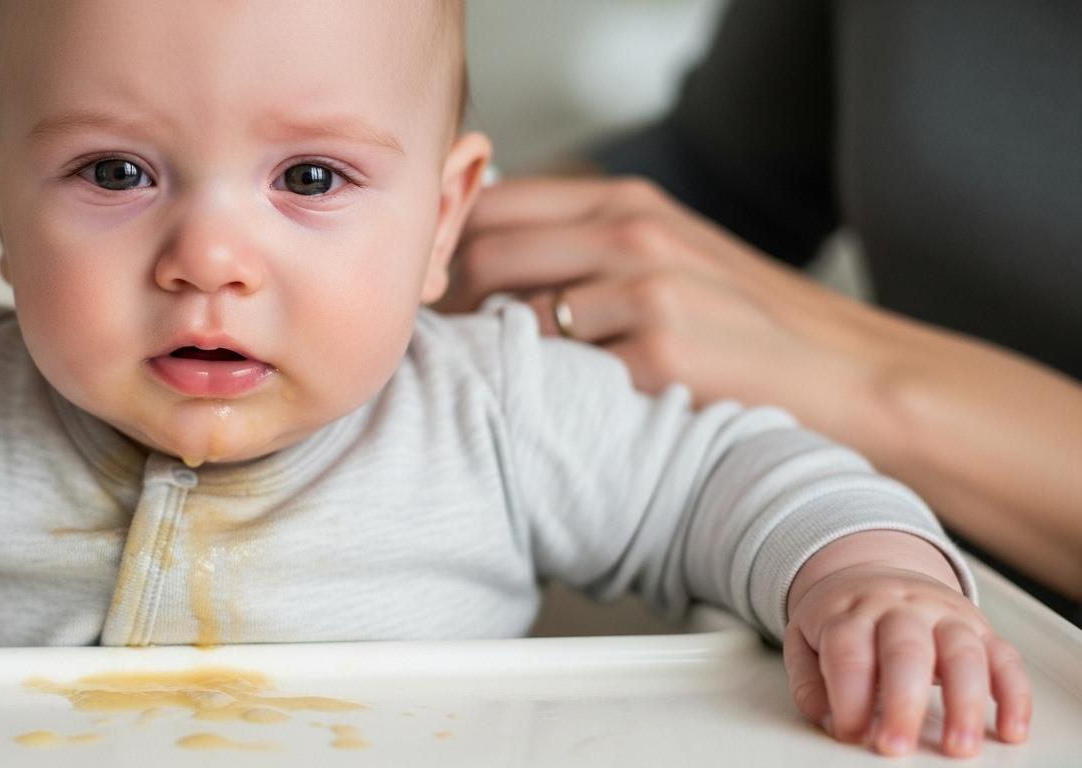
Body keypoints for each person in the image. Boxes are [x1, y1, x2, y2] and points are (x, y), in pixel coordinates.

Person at [0, 0, 1028, 758]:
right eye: (113, 173)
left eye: (310, 180)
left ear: (444, 220)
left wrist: (865, 577)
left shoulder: (496, 409)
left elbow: (737, 477)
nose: (208, 256)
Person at [441, 0, 1082, 627]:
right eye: (329, 177)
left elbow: (711, 489)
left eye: (333, 179)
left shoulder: (548, 415)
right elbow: (715, 171)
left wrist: (862, 567)